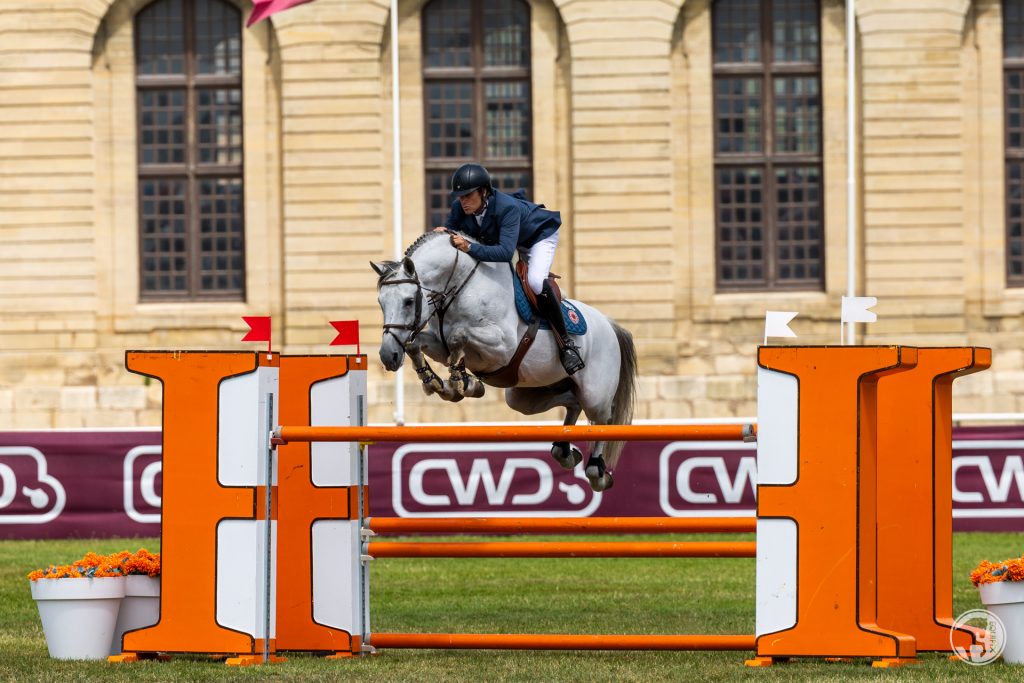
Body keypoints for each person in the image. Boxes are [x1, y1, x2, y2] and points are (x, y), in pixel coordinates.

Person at [434, 162, 584, 375]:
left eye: (468, 195)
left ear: (484, 191)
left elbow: (504, 253)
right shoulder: (460, 207)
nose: (463, 201)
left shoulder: (507, 208)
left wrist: (468, 247)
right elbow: (452, 231)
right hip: (510, 239)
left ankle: (567, 344)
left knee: (534, 281)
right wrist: (442, 232)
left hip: (538, 237)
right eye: (460, 196)